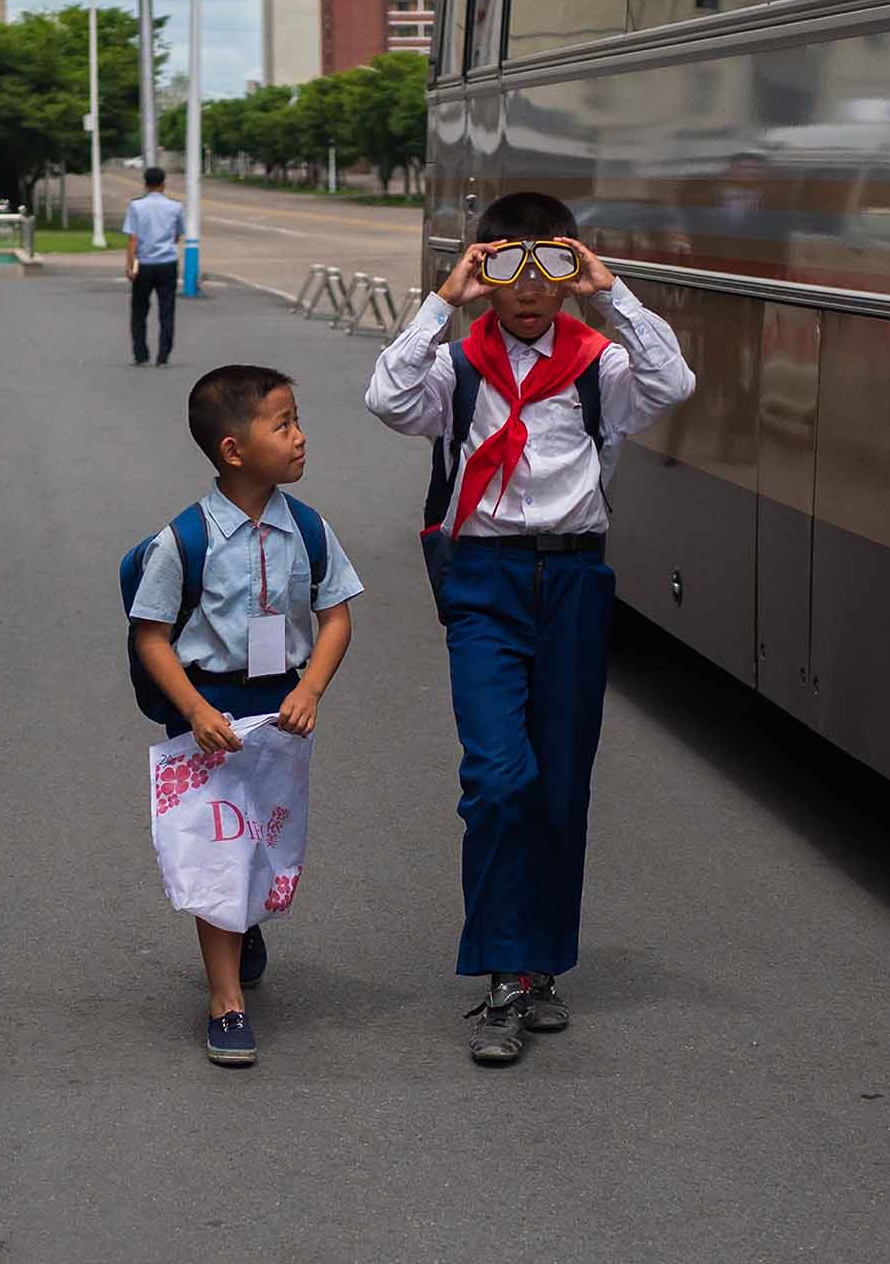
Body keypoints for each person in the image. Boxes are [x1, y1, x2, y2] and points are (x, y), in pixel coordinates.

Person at [364, 191, 695, 1065]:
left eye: (549, 267)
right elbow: (387, 398)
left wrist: (608, 291)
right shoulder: (458, 369)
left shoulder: (598, 366)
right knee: (498, 778)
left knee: (560, 786)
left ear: (568, 271)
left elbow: (672, 383)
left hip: (575, 579)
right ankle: (504, 976)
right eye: (509, 266)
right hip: (485, 581)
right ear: (486, 270)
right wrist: (444, 301)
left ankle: (538, 966)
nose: (530, 288)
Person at [129, 365, 363, 1066]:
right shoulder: (183, 540)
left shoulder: (309, 530)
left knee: (260, 836)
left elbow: (335, 616)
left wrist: (311, 688)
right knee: (217, 849)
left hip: (280, 708)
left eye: (297, 421)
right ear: (234, 450)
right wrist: (195, 708)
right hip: (207, 710)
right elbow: (151, 635)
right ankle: (225, 1001)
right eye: (283, 425)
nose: (300, 437)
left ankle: (244, 920)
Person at [122, 165, 185, 367]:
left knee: (139, 310)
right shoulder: (175, 207)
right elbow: (177, 235)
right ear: (164, 184)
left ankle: (141, 354)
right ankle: (163, 355)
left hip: (144, 264)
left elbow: (133, 238)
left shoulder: (136, 206)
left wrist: (130, 265)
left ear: (145, 184)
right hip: (167, 263)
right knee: (167, 310)